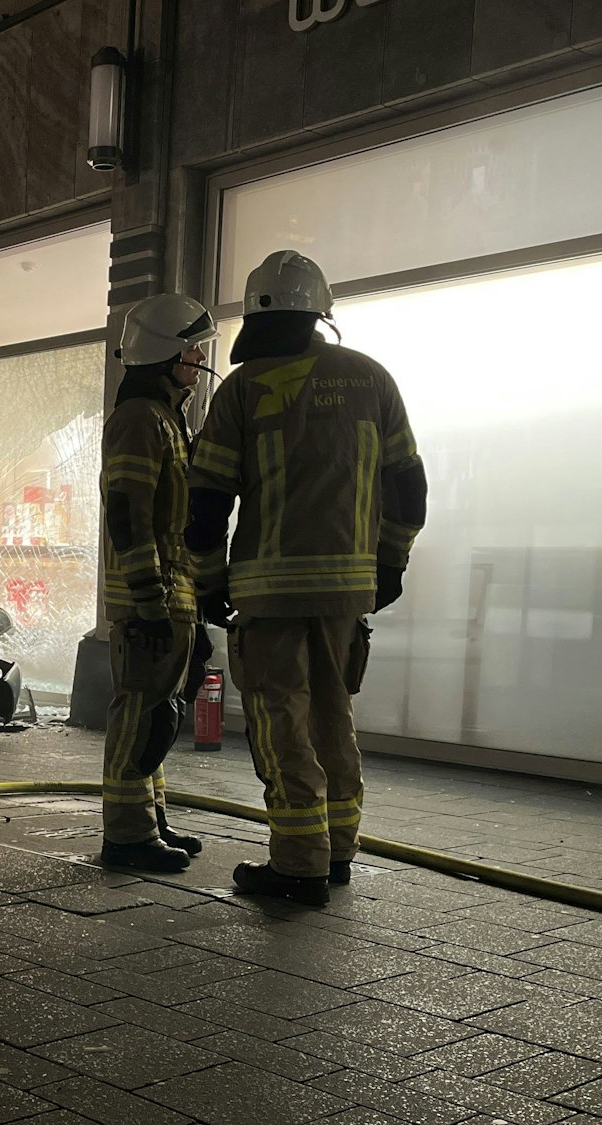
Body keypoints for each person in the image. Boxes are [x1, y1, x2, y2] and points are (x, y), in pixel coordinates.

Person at [186, 250, 426, 905]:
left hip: (269, 593)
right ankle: (338, 848)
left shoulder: (243, 390)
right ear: (319, 311)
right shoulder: (371, 380)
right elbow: (409, 485)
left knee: (281, 721)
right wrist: (391, 561)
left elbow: (206, 500)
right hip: (348, 590)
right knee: (331, 716)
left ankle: (297, 864)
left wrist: (207, 582)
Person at [97, 292, 219, 873]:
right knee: (139, 716)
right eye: (192, 351)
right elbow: (128, 514)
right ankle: (126, 835)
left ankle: (150, 819)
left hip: (173, 598)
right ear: (168, 355)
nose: (199, 361)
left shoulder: (164, 418)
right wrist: (148, 600)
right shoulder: (140, 420)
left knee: (158, 715)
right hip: (152, 600)